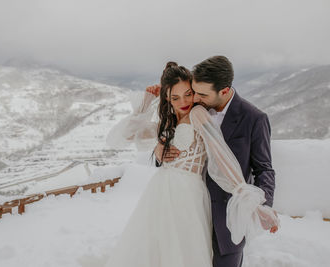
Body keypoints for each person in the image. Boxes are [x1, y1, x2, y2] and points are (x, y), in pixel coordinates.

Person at [106, 61, 279, 267]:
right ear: (167, 99)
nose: (187, 101)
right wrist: (146, 103)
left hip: (191, 196)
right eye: (175, 97)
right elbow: (126, 135)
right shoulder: (166, 121)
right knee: (157, 250)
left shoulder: (199, 114)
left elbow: (222, 157)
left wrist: (253, 201)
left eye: (189, 94)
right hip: (161, 193)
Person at [154, 56, 277, 267]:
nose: (195, 98)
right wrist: (159, 150)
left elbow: (264, 168)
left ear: (224, 91)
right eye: (194, 92)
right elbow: (175, 140)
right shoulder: (192, 109)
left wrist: (260, 206)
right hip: (189, 209)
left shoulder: (254, 118)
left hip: (226, 217)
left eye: (201, 94)